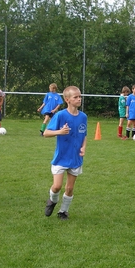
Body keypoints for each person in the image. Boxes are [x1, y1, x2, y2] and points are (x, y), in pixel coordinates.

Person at [43, 86, 88, 220]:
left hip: (75, 158)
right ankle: (53, 200)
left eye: (80, 96)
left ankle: (63, 211)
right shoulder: (60, 115)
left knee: (69, 188)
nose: (79, 99)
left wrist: (83, 147)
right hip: (61, 157)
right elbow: (46, 133)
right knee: (57, 186)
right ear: (67, 100)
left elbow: (84, 134)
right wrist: (60, 132)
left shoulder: (83, 117)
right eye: (76, 97)